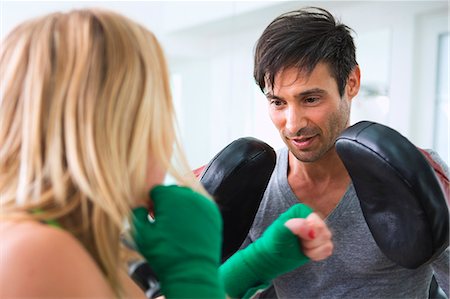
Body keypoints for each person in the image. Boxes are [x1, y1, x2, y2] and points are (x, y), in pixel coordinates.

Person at [0, 8, 333, 299]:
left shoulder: (77, 242)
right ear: (112, 129)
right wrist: (191, 272)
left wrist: (257, 262)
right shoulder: (38, 251)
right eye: (156, 113)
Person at [245, 6, 450, 299]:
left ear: (351, 82)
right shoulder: (255, 185)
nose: (293, 124)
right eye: (278, 102)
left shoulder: (413, 173)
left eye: (311, 98)